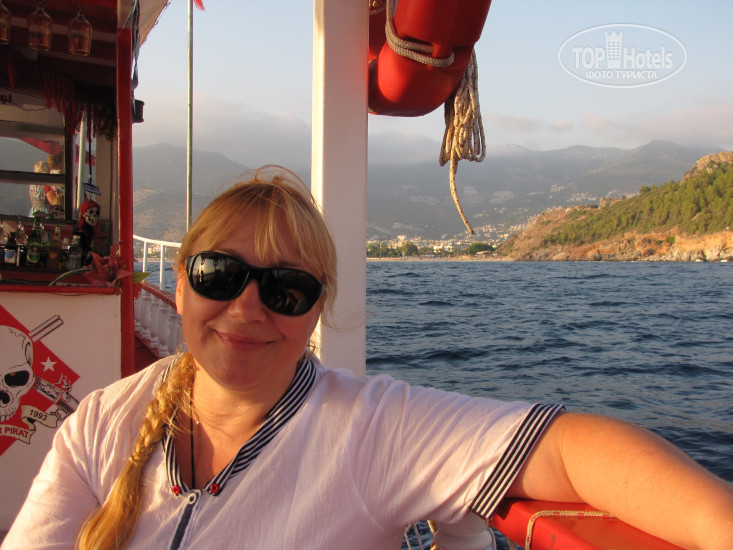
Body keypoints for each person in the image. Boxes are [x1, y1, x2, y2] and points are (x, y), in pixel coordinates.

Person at [3, 166, 732, 550]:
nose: (247, 307)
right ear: (181, 283)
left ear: (317, 309)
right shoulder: (102, 422)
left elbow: (568, 450)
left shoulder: (371, 430)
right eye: (220, 275)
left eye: (286, 289)